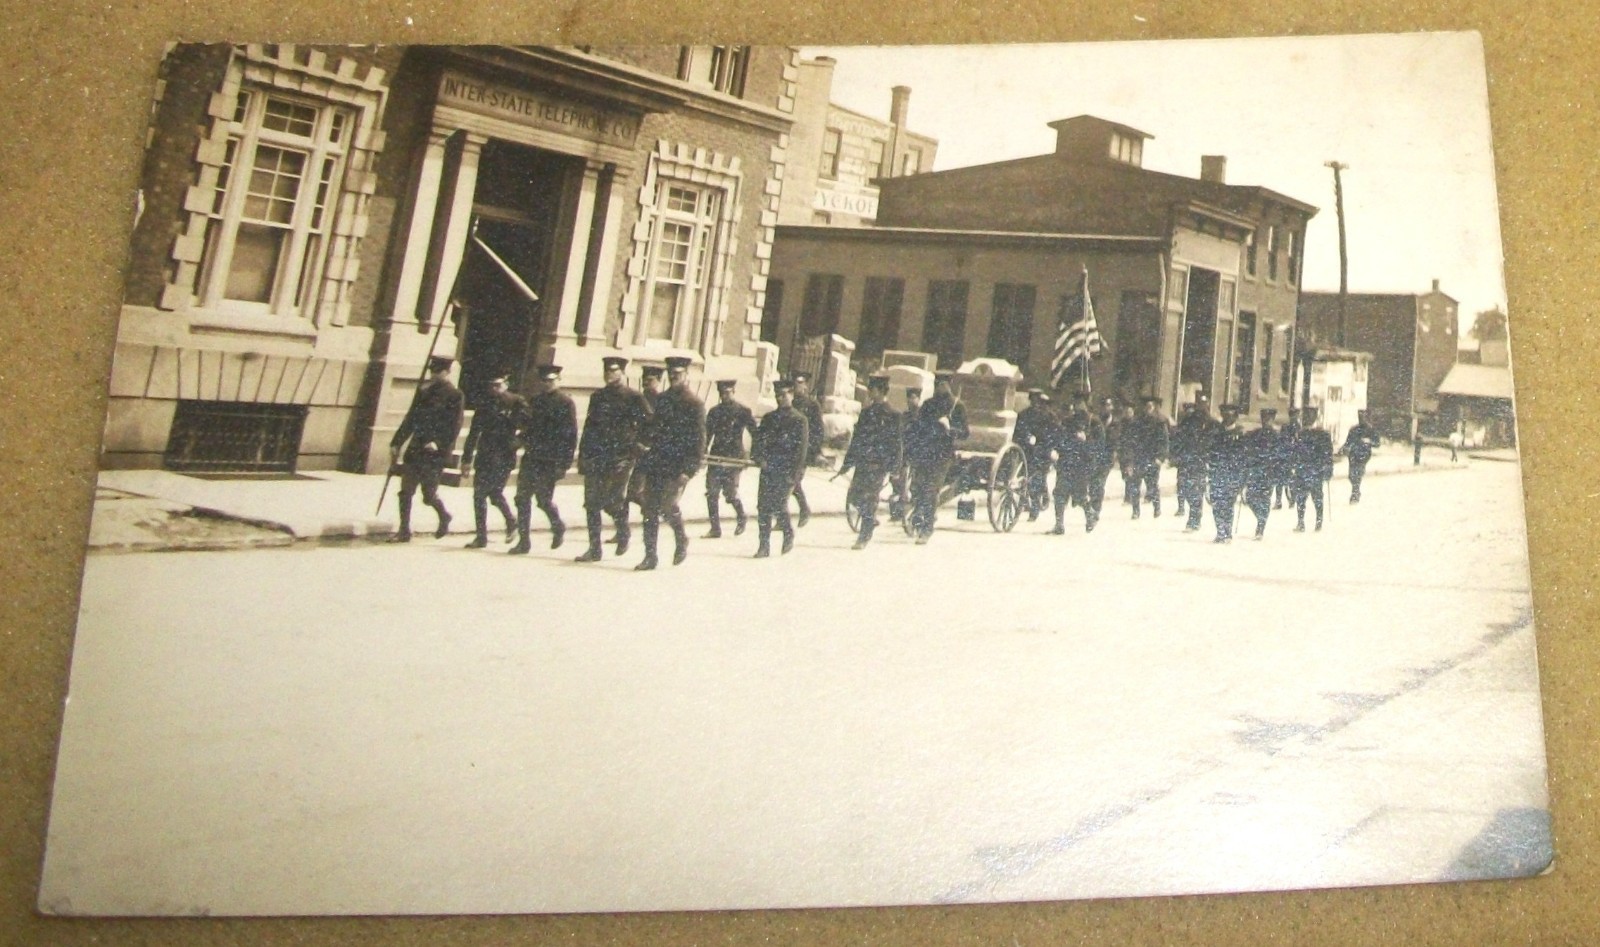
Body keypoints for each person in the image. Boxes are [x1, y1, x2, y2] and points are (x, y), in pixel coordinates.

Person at [574, 356, 652, 562]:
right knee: (591, 503)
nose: (610, 374)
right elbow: (590, 429)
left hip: (621, 457)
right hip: (597, 455)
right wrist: (583, 456)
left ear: (623, 373)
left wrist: (638, 445)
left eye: (614, 371)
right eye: (607, 371)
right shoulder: (597, 397)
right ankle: (594, 548)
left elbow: (650, 424)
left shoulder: (633, 397)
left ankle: (623, 531)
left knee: (612, 502)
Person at [633, 356, 706, 570]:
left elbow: (699, 440)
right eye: (672, 374)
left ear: (687, 375)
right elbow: (654, 426)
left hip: (678, 465)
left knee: (668, 505)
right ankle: (650, 556)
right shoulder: (663, 399)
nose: (675, 377)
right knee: (649, 509)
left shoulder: (694, 403)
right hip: (657, 461)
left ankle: (681, 538)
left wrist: (689, 470)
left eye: (679, 374)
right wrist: (642, 441)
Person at [389, 355, 464, 543]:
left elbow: (454, 426)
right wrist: (396, 442)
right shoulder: (423, 391)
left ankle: (444, 515)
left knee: (428, 495)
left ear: (447, 372)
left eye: (438, 371)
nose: (433, 374)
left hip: (435, 454)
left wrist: (438, 443)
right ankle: (404, 530)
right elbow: (411, 418)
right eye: (432, 371)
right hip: (416, 448)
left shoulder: (455, 395)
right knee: (406, 491)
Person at [510, 364, 577, 554]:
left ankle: (558, 526)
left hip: (550, 460)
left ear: (559, 380)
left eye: (552, 380)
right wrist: (520, 440)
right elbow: (529, 427)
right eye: (545, 381)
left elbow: (570, 436)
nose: (548, 384)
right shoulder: (536, 401)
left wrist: (564, 464)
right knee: (522, 498)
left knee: (543, 500)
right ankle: (524, 541)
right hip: (532, 456)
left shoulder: (566, 403)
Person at [836, 374, 901, 549]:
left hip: (879, 465)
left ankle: (864, 536)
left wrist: (895, 468)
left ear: (880, 392)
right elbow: (856, 439)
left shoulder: (893, 415)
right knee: (855, 496)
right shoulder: (866, 413)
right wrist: (847, 463)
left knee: (869, 498)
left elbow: (896, 444)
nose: (869, 393)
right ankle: (870, 520)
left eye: (871, 390)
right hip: (863, 462)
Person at [904, 370, 969, 544]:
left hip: (943, 455)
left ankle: (927, 528)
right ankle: (919, 519)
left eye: (943, 384)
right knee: (917, 488)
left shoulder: (957, 405)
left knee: (931, 490)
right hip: (924, 453)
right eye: (937, 384)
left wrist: (950, 429)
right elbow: (918, 428)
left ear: (948, 385)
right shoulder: (927, 404)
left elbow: (965, 433)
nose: (940, 387)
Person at [460, 374, 524, 549]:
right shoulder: (484, 404)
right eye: (492, 385)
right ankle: (481, 536)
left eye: (498, 385)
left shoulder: (516, 402)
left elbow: (529, 427)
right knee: (479, 495)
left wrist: (516, 443)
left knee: (495, 493)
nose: (494, 389)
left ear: (506, 384)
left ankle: (511, 522)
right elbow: (473, 433)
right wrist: (466, 460)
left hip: (504, 455)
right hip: (485, 455)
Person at [752, 379, 809, 557]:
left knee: (779, 505)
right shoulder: (769, 418)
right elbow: (758, 442)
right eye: (778, 395)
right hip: (768, 468)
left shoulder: (799, 420)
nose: (780, 398)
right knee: (762, 507)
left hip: (786, 470)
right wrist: (759, 458)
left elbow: (801, 450)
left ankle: (788, 533)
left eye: (784, 395)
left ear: (791, 395)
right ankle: (764, 546)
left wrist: (795, 475)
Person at [703, 379, 756, 538]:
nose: (725, 396)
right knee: (712, 492)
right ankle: (715, 528)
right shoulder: (714, 412)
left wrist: (754, 454)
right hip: (717, 456)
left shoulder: (742, 411)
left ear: (733, 392)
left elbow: (755, 433)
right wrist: (703, 451)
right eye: (722, 393)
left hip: (734, 457)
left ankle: (741, 517)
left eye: (728, 392)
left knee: (730, 493)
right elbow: (707, 434)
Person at [1049, 389, 1104, 534]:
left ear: (1086, 403)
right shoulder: (1068, 421)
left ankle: (1090, 515)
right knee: (1059, 493)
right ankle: (1059, 525)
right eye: (1076, 402)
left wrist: (1087, 441)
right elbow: (1060, 438)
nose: (1078, 406)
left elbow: (1100, 445)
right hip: (1066, 462)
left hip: (1084, 463)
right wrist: (1056, 450)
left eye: (1080, 403)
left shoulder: (1094, 422)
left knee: (1080, 495)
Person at [1172, 394, 1217, 533]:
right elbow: (1178, 438)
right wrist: (1176, 455)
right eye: (1200, 404)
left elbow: (1215, 443)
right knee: (1184, 489)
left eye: (1205, 404)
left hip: (1201, 461)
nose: (1202, 407)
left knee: (1196, 491)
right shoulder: (1188, 421)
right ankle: (1193, 515)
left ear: (1208, 404)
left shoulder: (1212, 423)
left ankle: (1194, 520)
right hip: (1186, 460)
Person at [625, 365, 666, 520]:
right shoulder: (636, 399)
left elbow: (661, 426)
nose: (645, 383)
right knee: (629, 492)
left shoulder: (662, 401)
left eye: (650, 380)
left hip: (653, 452)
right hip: (636, 450)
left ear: (659, 381)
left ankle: (653, 513)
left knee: (639, 491)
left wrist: (651, 445)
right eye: (644, 380)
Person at [1206, 403, 1249, 544]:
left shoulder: (1241, 434)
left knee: (1228, 504)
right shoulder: (1216, 433)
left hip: (1232, 475)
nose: (1227, 419)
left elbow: (1244, 457)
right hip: (1217, 473)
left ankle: (1227, 532)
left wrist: (1243, 478)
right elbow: (1211, 452)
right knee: (1217, 503)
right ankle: (1220, 531)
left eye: (1230, 416)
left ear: (1235, 417)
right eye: (1224, 416)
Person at [1123, 395, 1170, 518]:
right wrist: (1129, 460)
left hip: (1152, 458)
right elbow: (1130, 442)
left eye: (1150, 406)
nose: (1147, 409)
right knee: (1135, 485)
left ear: (1153, 408)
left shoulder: (1159, 422)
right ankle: (1135, 511)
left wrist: (1160, 458)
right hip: (1139, 458)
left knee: (1152, 485)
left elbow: (1164, 441)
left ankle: (1157, 508)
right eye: (1145, 407)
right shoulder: (1136, 423)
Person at [789, 371, 826, 527]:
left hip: (804, 450)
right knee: (786, 482)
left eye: (801, 383)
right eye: (795, 383)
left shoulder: (812, 405)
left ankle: (804, 509)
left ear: (805, 385)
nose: (798, 386)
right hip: (788, 449)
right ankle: (785, 515)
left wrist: (816, 451)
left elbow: (818, 430)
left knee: (793, 481)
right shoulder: (790, 403)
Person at [1290, 405, 1334, 532]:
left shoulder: (1322, 434)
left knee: (1316, 497)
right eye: (1306, 416)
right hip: (1304, 470)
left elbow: (1328, 454)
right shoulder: (1300, 434)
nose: (1308, 419)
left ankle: (1318, 521)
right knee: (1302, 497)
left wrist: (1328, 468)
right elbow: (1295, 451)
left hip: (1314, 470)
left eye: (1310, 416)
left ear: (1315, 418)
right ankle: (1301, 522)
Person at [1013, 388, 1055, 521]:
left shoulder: (1047, 416)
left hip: (1042, 454)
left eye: (1038, 400)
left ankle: (1035, 509)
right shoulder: (1023, 415)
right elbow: (1017, 434)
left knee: (1037, 480)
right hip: (1026, 453)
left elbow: (1052, 435)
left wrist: (1049, 449)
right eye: (1034, 400)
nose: (1036, 403)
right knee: (1027, 480)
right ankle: (1027, 504)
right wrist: (1026, 437)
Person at [1242, 408, 1282, 540]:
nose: (1266, 421)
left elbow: (1280, 456)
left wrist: (1278, 471)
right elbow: (1246, 448)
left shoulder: (1276, 437)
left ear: (1272, 420)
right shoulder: (1255, 434)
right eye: (1264, 419)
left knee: (1264, 500)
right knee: (1250, 498)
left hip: (1268, 472)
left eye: (1269, 419)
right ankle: (1261, 518)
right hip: (1255, 471)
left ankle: (1260, 527)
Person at [889, 385, 923, 522]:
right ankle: (898, 506)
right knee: (896, 478)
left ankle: (911, 504)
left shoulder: (922, 416)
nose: (910, 401)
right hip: (905, 451)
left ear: (919, 399)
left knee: (913, 481)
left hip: (917, 452)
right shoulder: (905, 416)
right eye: (909, 398)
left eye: (913, 398)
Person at [1088, 396, 1118, 526]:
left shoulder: (1116, 423)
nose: (1107, 408)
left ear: (1112, 408)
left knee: (1099, 483)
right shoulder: (1095, 421)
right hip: (1095, 456)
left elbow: (1117, 441)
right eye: (1104, 406)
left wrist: (1115, 454)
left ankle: (1096, 509)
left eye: (1109, 405)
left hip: (1107, 458)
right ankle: (1094, 505)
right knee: (1093, 483)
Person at [1340, 410, 1382, 503]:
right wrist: (1343, 448)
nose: (1361, 419)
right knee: (1351, 475)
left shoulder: (1371, 430)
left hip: (1364, 454)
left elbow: (1377, 443)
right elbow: (1348, 441)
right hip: (1353, 454)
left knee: (1358, 474)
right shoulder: (1354, 429)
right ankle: (1356, 490)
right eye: (1359, 417)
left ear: (1366, 417)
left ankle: (1355, 493)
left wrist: (1369, 441)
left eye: (1363, 416)